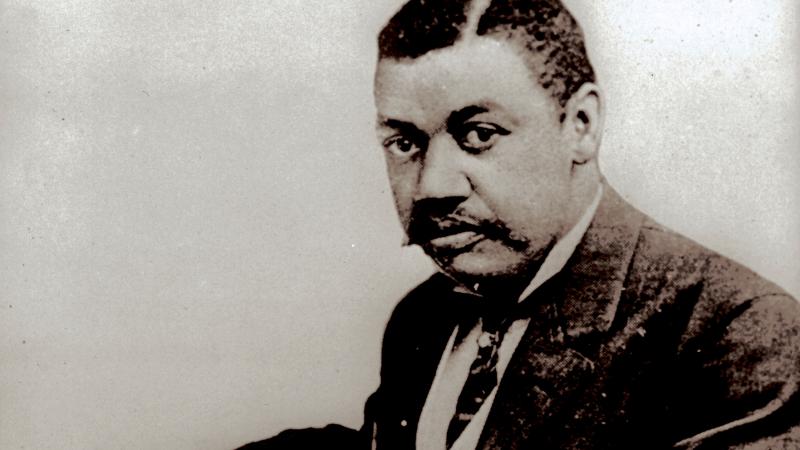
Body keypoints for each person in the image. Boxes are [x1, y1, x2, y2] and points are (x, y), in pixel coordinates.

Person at [239, 0, 800, 448]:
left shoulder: (736, 333)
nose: (433, 185)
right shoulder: (422, 318)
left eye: (478, 134)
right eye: (404, 143)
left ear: (581, 124)